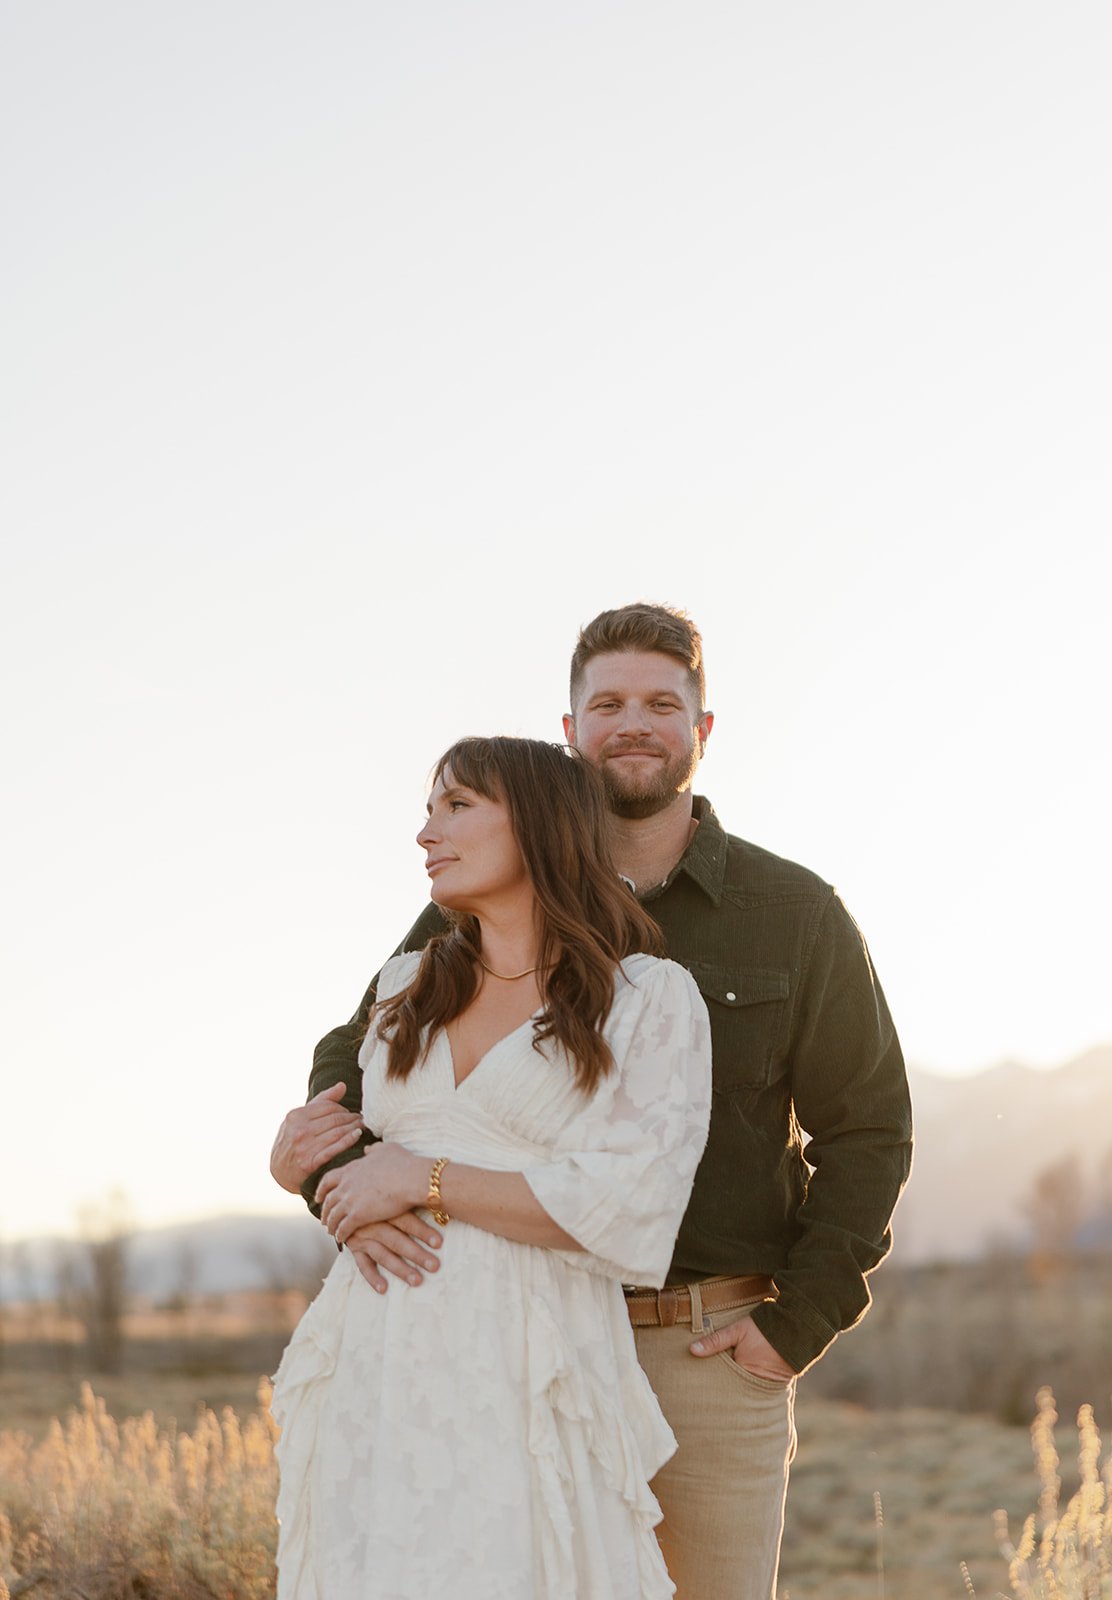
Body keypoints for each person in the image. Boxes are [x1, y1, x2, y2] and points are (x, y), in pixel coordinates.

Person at [272, 604, 913, 1600]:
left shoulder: (792, 913)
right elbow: (352, 1063)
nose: (633, 722)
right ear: (568, 732)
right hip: (498, 1343)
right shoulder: (481, 898)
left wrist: (799, 1322)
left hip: (697, 1346)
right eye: (605, 701)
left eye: (662, 702)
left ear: (701, 731)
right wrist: (335, 1188)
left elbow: (867, 1130)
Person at [270, 735, 712, 1599]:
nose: (427, 832)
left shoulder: (646, 999)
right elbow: (340, 1147)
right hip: (381, 1355)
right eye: (430, 809)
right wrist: (296, 1163)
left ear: (541, 825)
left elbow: (634, 1204)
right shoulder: (406, 986)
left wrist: (425, 1179)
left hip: (527, 1358)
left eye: (457, 806)